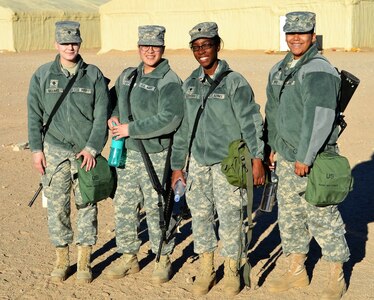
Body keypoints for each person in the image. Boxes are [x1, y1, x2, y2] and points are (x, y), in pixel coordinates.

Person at [170, 22, 265, 296]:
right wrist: (178, 167)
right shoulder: (189, 84)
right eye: (196, 47)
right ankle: (206, 268)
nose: (202, 51)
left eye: (207, 45)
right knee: (200, 217)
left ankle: (232, 270)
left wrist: (257, 158)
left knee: (231, 218)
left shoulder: (235, 82)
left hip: (228, 165)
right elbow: (183, 130)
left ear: (217, 45)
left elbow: (251, 123)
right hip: (198, 164)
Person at [264, 11, 350, 300]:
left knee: (323, 218)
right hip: (285, 158)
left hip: (312, 160)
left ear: (313, 35)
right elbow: (273, 112)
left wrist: (306, 156)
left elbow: (321, 117)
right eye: (291, 33)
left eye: (302, 33)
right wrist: (273, 146)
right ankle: (297, 272)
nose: (295, 38)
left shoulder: (318, 69)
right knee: (290, 218)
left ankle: (335, 276)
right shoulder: (279, 69)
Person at [27, 21, 110, 283]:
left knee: (87, 205)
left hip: (86, 153)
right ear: (56, 45)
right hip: (54, 152)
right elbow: (33, 115)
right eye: (64, 43)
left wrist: (93, 147)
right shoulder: (42, 75)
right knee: (58, 208)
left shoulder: (93, 75)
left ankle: (84, 260)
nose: (69, 47)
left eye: (73, 42)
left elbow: (101, 117)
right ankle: (62, 259)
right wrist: (37, 150)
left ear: (80, 43)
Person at [102, 25, 183, 284]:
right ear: (138, 48)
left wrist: (131, 128)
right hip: (127, 154)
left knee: (157, 208)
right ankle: (129, 257)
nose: (150, 51)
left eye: (155, 46)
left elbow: (170, 119)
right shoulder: (128, 76)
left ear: (162, 48)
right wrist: (113, 116)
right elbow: (113, 99)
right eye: (145, 46)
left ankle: (162, 257)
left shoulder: (169, 81)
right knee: (124, 206)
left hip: (156, 155)